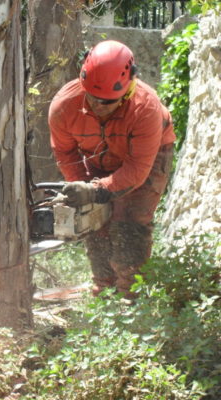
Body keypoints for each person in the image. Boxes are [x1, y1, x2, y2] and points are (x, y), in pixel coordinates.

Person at [48, 40, 176, 299]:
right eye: (93, 98)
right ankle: (104, 291)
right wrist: (82, 189)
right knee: (96, 223)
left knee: (129, 223)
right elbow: (65, 152)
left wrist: (96, 189)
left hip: (146, 159)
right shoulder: (64, 106)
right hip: (97, 157)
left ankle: (131, 297)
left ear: (127, 90)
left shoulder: (146, 108)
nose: (98, 106)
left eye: (107, 101)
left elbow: (137, 170)